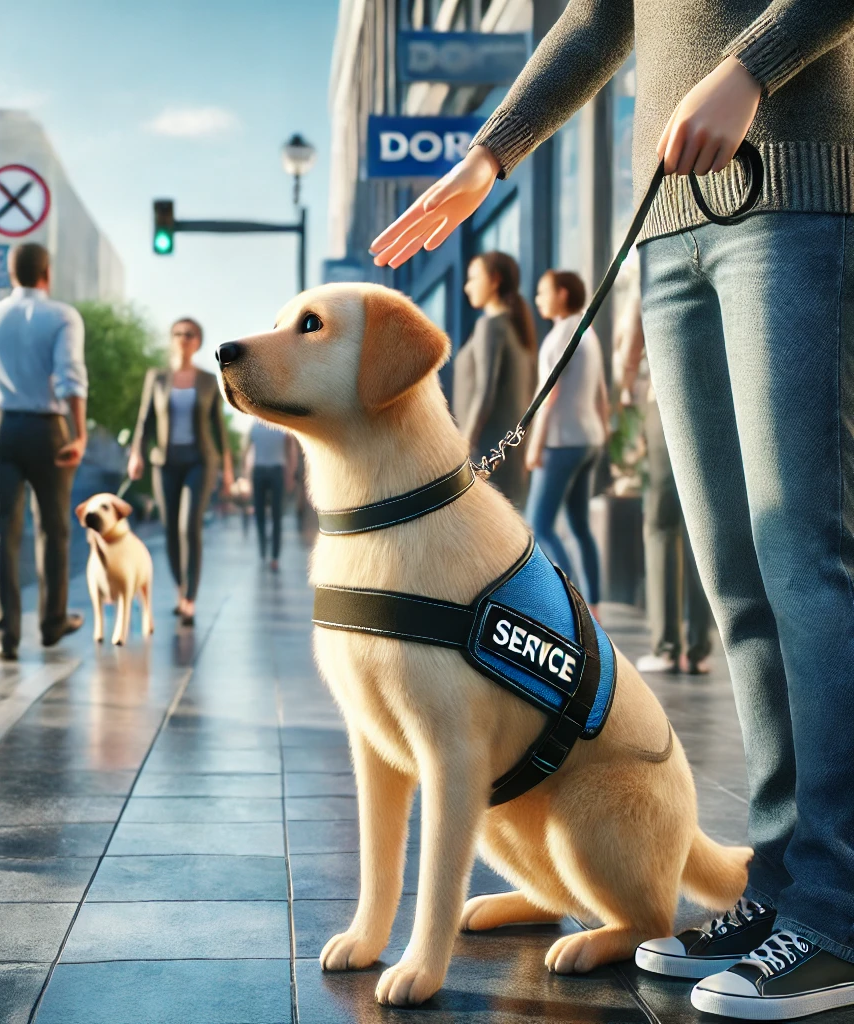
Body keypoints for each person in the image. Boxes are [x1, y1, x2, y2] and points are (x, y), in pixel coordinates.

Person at [370, 3, 854, 1016]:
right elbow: (596, 21)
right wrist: (491, 153)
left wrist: (750, 69)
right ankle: (779, 888)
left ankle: (838, 912)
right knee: (737, 573)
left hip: (794, 186)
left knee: (802, 561)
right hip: (670, 223)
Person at [0, 243, 88, 661]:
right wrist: (79, 433)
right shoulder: (62, 316)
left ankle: (5, 635)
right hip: (48, 430)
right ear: (46, 273)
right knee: (54, 528)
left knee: (1, 532)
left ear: (10, 273)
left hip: (0, 428)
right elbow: (70, 378)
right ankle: (52, 624)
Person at [618, 293, 712, 675]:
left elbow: (631, 332)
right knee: (701, 521)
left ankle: (667, 647)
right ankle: (699, 648)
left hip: (669, 397)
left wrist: (626, 386)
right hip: (717, 399)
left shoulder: (653, 248)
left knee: (661, 522)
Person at [127, 318, 233, 626]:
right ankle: (180, 589)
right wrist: (136, 454)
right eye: (177, 333)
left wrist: (227, 469)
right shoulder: (156, 378)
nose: (182, 338)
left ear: (197, 341)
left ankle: (189, 599)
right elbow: (144, 420)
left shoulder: (207, 380)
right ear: (171, 339)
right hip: (165, 463)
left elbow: (219, 429)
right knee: (170, 528)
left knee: (189, 526)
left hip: (200, 462)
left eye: (189, 334)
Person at [524, 269, 608, 618]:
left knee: (539, 524)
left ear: (561, 293)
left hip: (561, 442)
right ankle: (594, 606)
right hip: (589, 440)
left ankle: (569, 605)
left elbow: (549, 394)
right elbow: (602, 392)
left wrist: (534, 443)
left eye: (543, 292)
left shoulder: (559, 336)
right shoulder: (588, 333)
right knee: (579, 526)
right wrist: (603, 435)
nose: (538, 298)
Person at [453, 251, 537, 507]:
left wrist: (462, 446)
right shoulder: (517, 330)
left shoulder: (490, 327)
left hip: (485, 454)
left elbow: (484, 392)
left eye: (473, 278)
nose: (467, 287)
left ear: (495, 280)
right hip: (509, 457)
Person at [245, 419, 297, 571]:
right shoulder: (254, 425)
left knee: (277, 516)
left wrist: (290, 474)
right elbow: (248, 450)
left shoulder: (282, 425)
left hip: (277, 471)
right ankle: (262, 549)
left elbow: (290, 450)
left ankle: (275, 556)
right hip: (259, 470)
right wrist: (247, 475)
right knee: (259, 514)